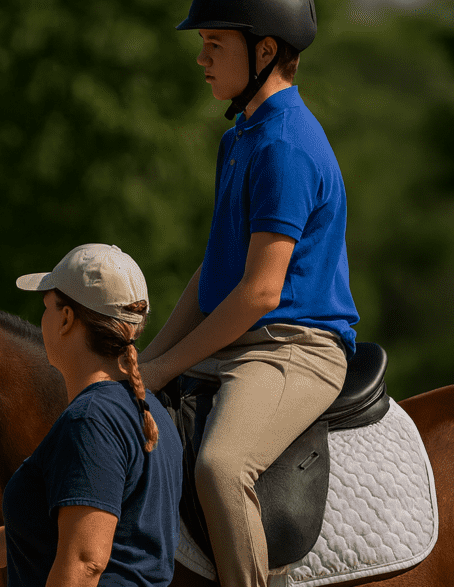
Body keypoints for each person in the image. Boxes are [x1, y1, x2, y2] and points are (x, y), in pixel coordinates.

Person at [136, 1, 359, 586]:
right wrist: (147, 361)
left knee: (220, 465)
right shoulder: (242, 138)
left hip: (294, 349)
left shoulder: (284, 145)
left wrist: (163, 369)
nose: (202, 56)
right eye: (203, 42)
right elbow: (214, 273)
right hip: (240, 341)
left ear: (264, 52)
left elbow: (259, 293)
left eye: (215, 43)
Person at [0, 244, 183, 587]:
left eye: (47, 307)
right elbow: (46, 534)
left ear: (66, 319)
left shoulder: (91, 420)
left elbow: (84, 563)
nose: (43, 318)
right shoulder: (150, 412)